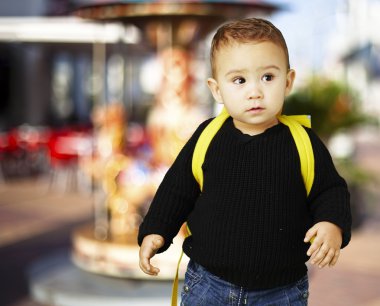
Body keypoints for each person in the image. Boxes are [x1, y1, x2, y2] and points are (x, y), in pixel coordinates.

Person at [138, 18, 351, 305]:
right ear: (216, 90)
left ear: (288, 82)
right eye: (239, 80)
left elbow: (330, 190)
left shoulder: (303, 142)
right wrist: (156, 230)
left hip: (281, 291)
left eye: (268, 77)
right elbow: (177, 188)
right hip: (208, 284)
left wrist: (332, 224)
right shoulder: (208, 137)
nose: (255, 92)